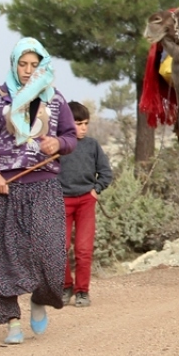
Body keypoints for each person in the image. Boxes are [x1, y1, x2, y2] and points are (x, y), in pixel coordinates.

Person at [0, 38, 77, 345]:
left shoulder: (55, 99)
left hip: (44, 187)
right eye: (23, 64)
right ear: (14, 65)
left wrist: (59, 143)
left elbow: (70, 136)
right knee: (0, 257)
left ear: (43, 66)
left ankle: (39, 299)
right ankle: (12, 323)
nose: (28, 71)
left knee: (50, 255)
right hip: (5, 190)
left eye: (34, 65)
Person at [59, 101, 112, 308]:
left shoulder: (92, 145)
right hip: (61, 202)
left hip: (85, 201)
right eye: (78, 123)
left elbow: (106, 172)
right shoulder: (58, 146)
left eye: (86, 123)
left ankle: (82, 291)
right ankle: (65, 286)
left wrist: (96, 189)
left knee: (83, 249)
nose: (83, 128)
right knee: (60, 248)